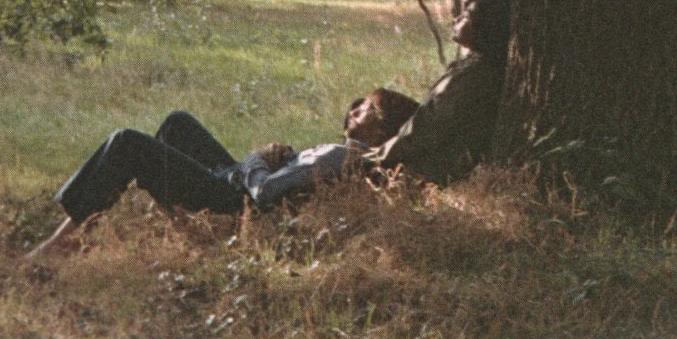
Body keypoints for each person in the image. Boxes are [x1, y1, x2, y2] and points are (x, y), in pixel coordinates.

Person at [26, 87, 419, 257]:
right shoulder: (344, 157)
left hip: (234, 200)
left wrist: (256, 159)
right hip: (237, 182)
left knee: (127, 142)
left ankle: (66, 237)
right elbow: (293, 182)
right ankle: (184, 227)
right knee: (177, 123)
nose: (351, 111)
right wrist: (285, 157)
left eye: (363, 109)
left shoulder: (337, 155)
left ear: (381, 131)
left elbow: (263, 194)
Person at [368, 0, 511, 186]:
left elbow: (428, 127)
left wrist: (377, 157)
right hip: (435, 167)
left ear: (486, 26)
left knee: (331, 159)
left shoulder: (475, 75)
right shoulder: (474, 68)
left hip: (433, 173)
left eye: (466, 16)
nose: (457, 19)